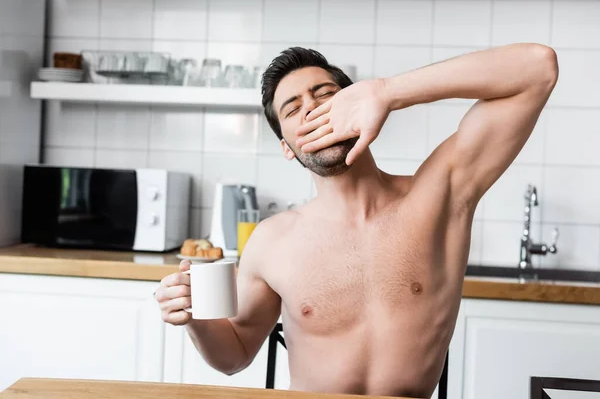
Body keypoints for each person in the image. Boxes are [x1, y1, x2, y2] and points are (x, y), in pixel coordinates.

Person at [155, 44, 558, 398]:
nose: (311, 108)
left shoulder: (439, 196)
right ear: (287, 147)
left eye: (326, 94)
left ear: (357, 104)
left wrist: (387, 92)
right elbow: (235, 355)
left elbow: (538, 67)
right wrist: (194, 321)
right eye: (293, 109)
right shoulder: (272, 240)